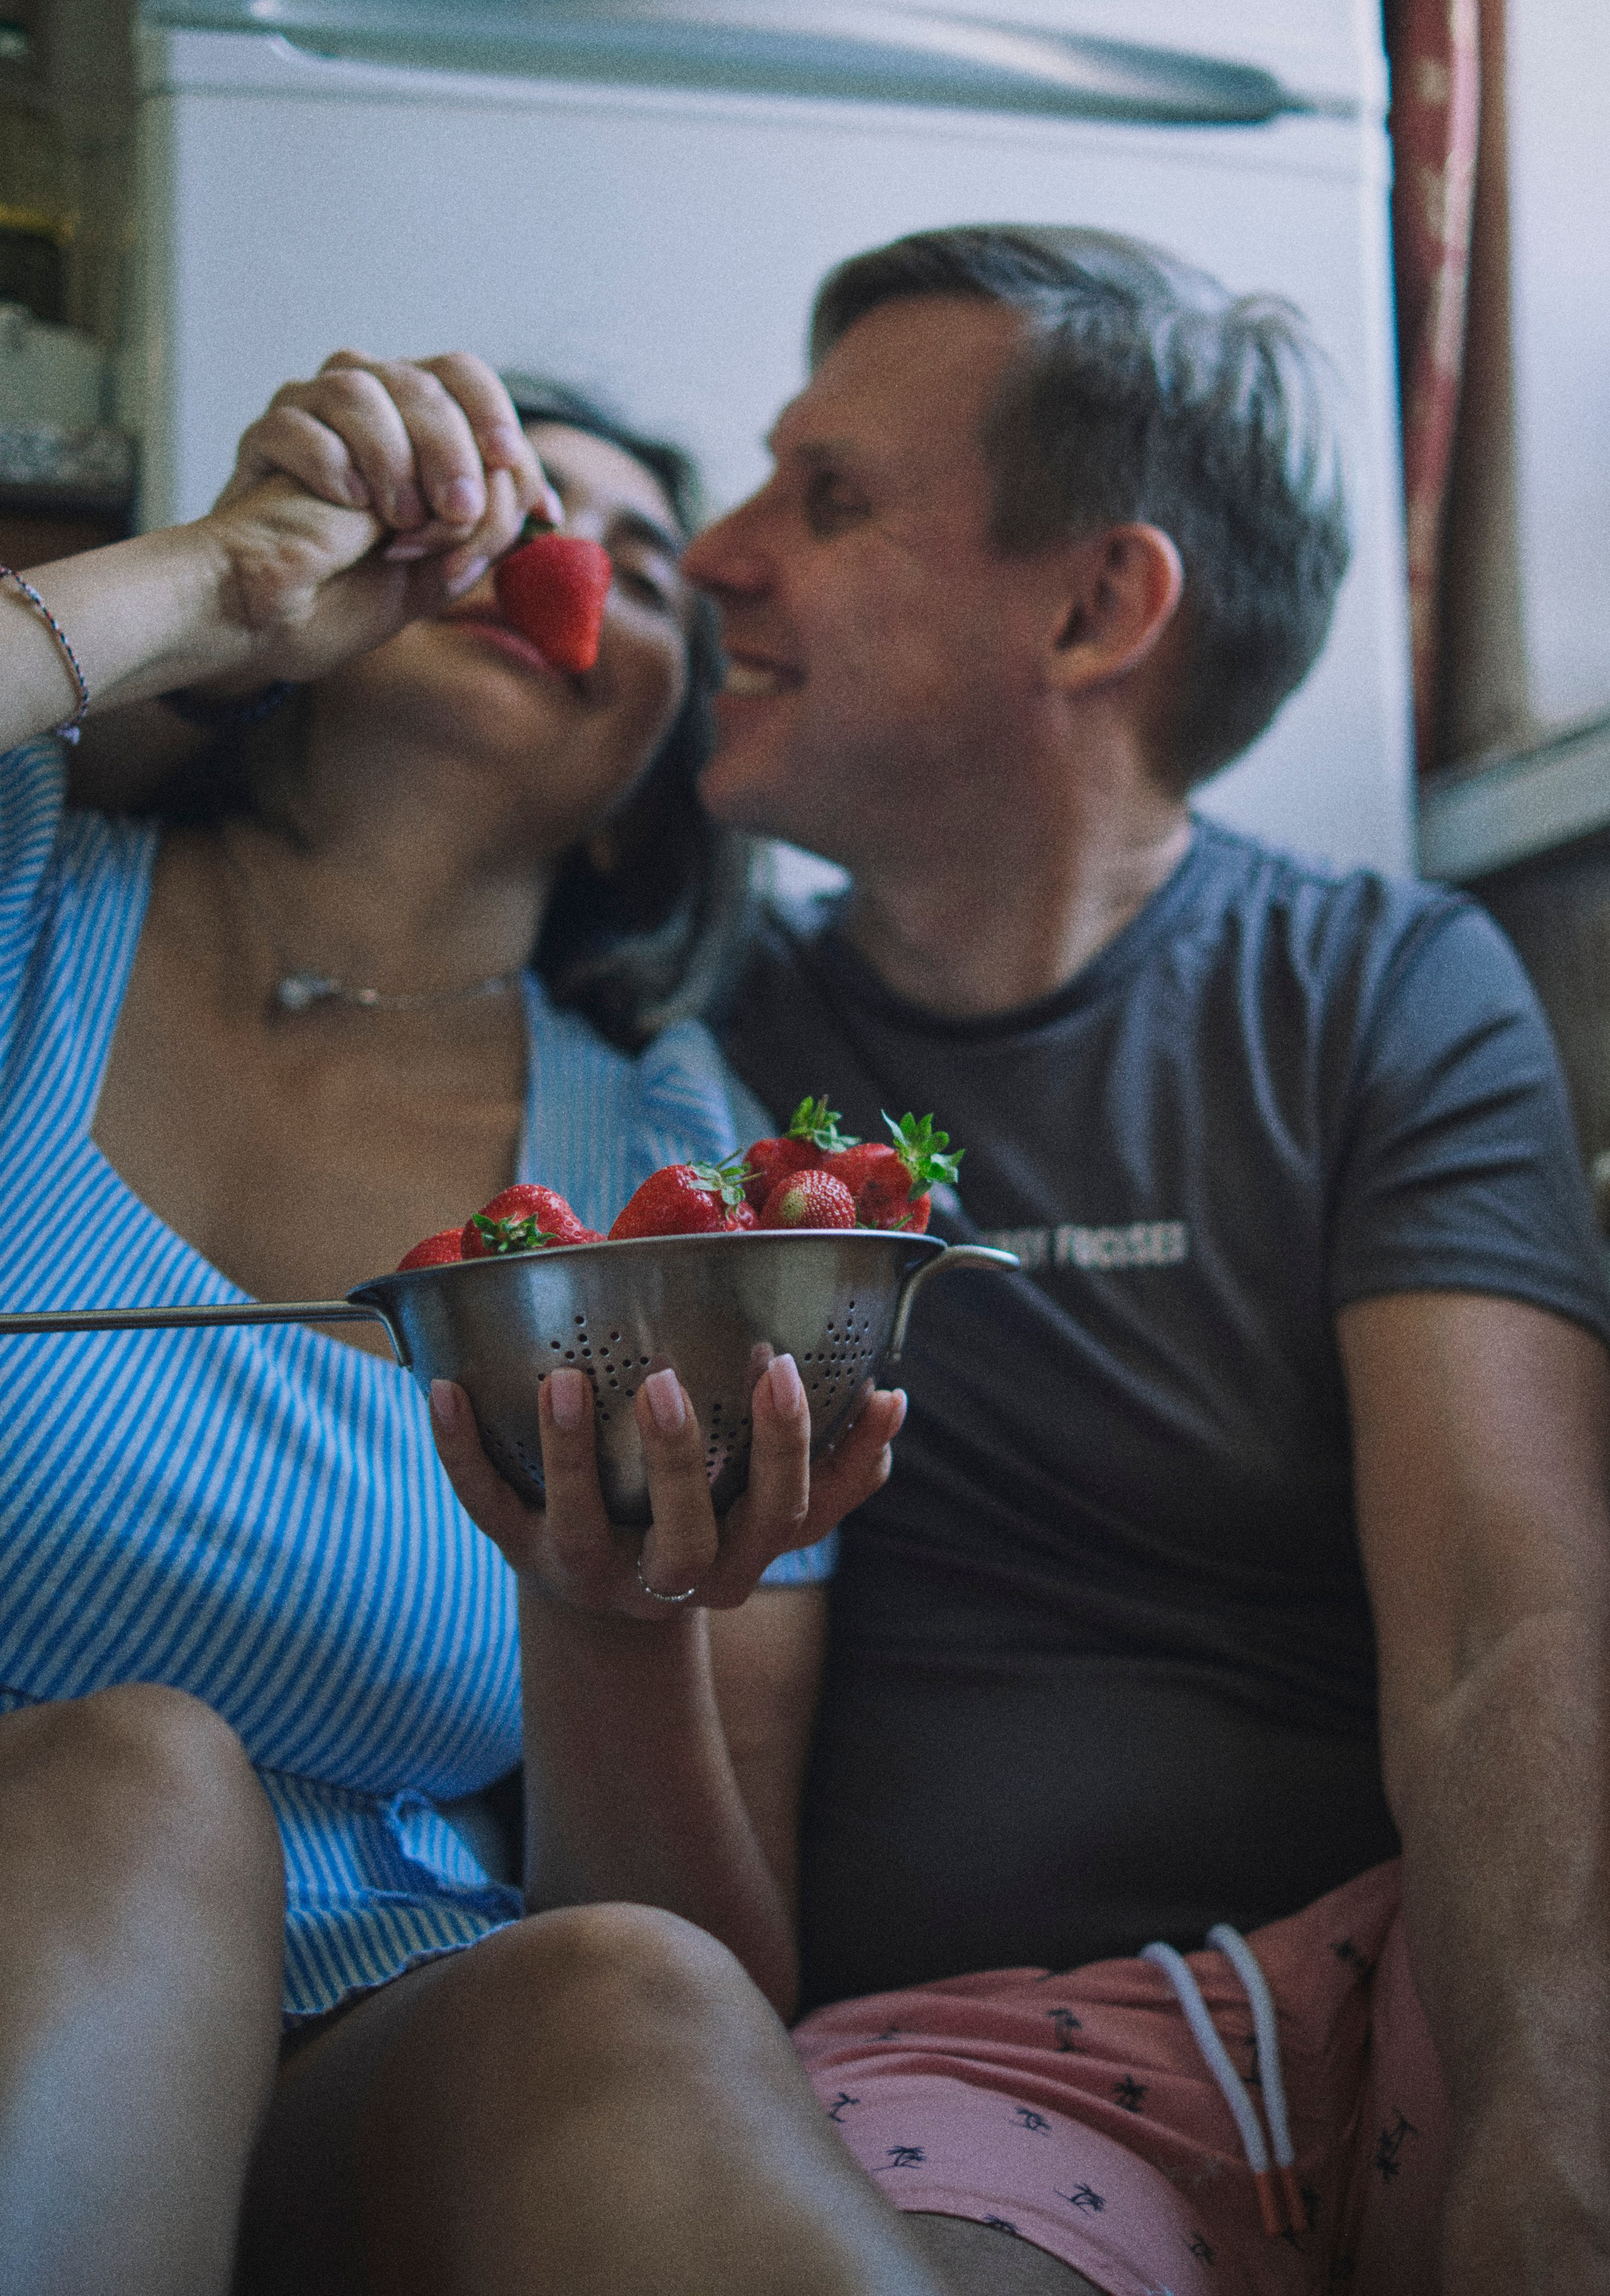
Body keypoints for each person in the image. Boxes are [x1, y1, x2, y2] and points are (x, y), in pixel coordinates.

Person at [667, 228, 1610, 2293]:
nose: (713, 556)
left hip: (1432, 1972)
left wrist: (1555, 2134)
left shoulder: (1386, 988)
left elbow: (1500, 1623)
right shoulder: (701, 1060)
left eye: (824, 501)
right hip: (972, 2065)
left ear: (1100, 606)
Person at [0, 353, 916, 2296]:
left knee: (634, 1996)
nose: (558, 553)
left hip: (358, 2052)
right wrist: (214, 591)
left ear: (648, 779)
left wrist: (610, 1608)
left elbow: (729, 1961)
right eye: (487, 514)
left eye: (641, 569)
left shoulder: (694, 1188)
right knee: (153, 1780)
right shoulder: (30, 888)